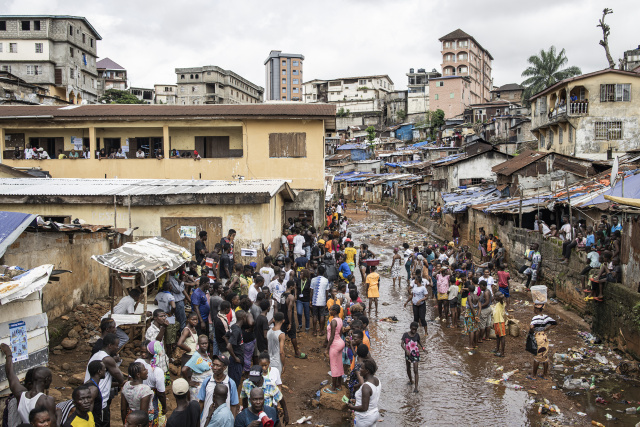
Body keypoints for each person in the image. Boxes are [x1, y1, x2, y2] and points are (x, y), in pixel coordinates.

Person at [1, 344, 57, 426]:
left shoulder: (20, 394)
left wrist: (8, 353)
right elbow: (53, 425)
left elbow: (10, 374)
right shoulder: (47, 400)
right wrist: (59, 415)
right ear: (47, 380)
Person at [84, 333, 125, 427]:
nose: (118, 347)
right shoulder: (107, 359)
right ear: (110, 345)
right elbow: (120, 378)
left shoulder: (97, 355)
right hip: (100, 400)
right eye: (116, 345)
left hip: (92, 396)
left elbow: (105, 382)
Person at [197, 355, 239, 427]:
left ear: (224, 368)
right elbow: (201, 402)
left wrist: (232, 422)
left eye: (218, 365)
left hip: (224, 422)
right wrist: (197, 421)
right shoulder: (207, 381)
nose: (215, 368)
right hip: (206, 421)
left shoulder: (230, 383)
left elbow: (234, 405)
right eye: (214, 364)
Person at [135, 342, 167, 423]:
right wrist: (164, 407)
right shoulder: (158, 371)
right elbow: (161, 393)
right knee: (150, 419)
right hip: (151, 400)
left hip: (136, 395)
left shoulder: (138, 362)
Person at [345, 359, 380, 427]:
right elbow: (371, 397)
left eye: (362, 368)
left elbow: (364, 408)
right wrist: (356, 400)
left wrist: (352, 407)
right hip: (374, 414)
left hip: (364, 418)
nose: (360, 369)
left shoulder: (366, 387)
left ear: (367, 371)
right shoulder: (377, 380)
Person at [529, 303, 557, 380]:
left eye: (534, 309)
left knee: (537, 356)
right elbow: (554, 323)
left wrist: (531, 330)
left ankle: (534, 376)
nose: (534, 310)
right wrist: (546, 329)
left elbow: (532, 327)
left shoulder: (535, 318)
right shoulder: (546, 317)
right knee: (545, 356)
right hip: (544, 337)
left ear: (537, 309)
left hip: (538, 337)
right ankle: (545, 375)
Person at [182, 335, 213, 400]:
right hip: (198, 387)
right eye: (202, 344)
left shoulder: (205, 352)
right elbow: (184, 369)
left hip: (205, 385)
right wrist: (188, 382)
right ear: (198, 344)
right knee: (197, 407)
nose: (204, 345)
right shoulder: (196, 355)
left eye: (206, 343)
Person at [325, 304, 345, 393]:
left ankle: (333, 388)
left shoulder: (333, 321)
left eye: (331, 310)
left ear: (335, 311)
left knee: (333, 365)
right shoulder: (340, 320)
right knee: (339, 363)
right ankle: (339, 385)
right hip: (340, 342)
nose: (330, 311)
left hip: (335, 344)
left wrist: (327, 348)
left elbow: (332, 336)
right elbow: (340, 333)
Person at [401, 322, 424, 393]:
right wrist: (406, 350)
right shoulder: (405, 335)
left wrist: (423, 348)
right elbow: (402, 344)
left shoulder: (417, 335)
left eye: (415, 329)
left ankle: (416, 387)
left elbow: (419, 342)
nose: (414, 331)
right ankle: (411, 380)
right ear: (410, 327)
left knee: (416, 370)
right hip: (408, 354)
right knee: (408, 368)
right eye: (413, 329)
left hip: (416, 354)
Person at [404, 270, 428, 336]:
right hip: (415, 305)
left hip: (422, 305)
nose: (414, 280)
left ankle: (426, 332)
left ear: (418, 281)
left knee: (422, 318)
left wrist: (420, 300)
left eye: (415, 279)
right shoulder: (414, 288)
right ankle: (415, 333)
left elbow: (426, 297)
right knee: (415, 319)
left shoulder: (423, 288)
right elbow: (411, 295)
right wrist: (406, 302)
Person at [226, 310, 245, 387]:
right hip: (236, 362)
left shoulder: (234, 326)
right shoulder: (236, 330)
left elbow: (225, 336)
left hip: (236, 359)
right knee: (234, 384)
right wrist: (235, 357)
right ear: (244, 318)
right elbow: (228, 346)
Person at [310, 265, 330, 337]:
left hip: (315, 300)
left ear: (317, 272)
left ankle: (314, 331)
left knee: (314, 315)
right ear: (324, 272)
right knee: (322, 315)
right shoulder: (326, 280)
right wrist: (326, 302)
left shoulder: (313, 280)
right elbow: (326, 293)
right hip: (322, 300)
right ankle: (321, 331)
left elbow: (311, 291)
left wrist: (310, 301)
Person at [463, 282, 480, 350]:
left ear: (469, 289)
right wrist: (477, 315)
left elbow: (471, 306)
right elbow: (479, 306)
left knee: (471, 330)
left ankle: (470, 346)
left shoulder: (469, 296)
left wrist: (474, 315)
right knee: (475, 328)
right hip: (476, 312)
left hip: (470, 313)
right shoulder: (477, 296)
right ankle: (475, 344)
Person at [493, 293, 507, 357]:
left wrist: (501, 296)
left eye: (496, 296)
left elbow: (502, 299)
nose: (494, 297)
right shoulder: (497, 303)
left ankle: (502, 353)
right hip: (496, 322)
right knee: (498, 336)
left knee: (502, 337)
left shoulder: (502, 303)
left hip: (500, 322)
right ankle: (497, 349)